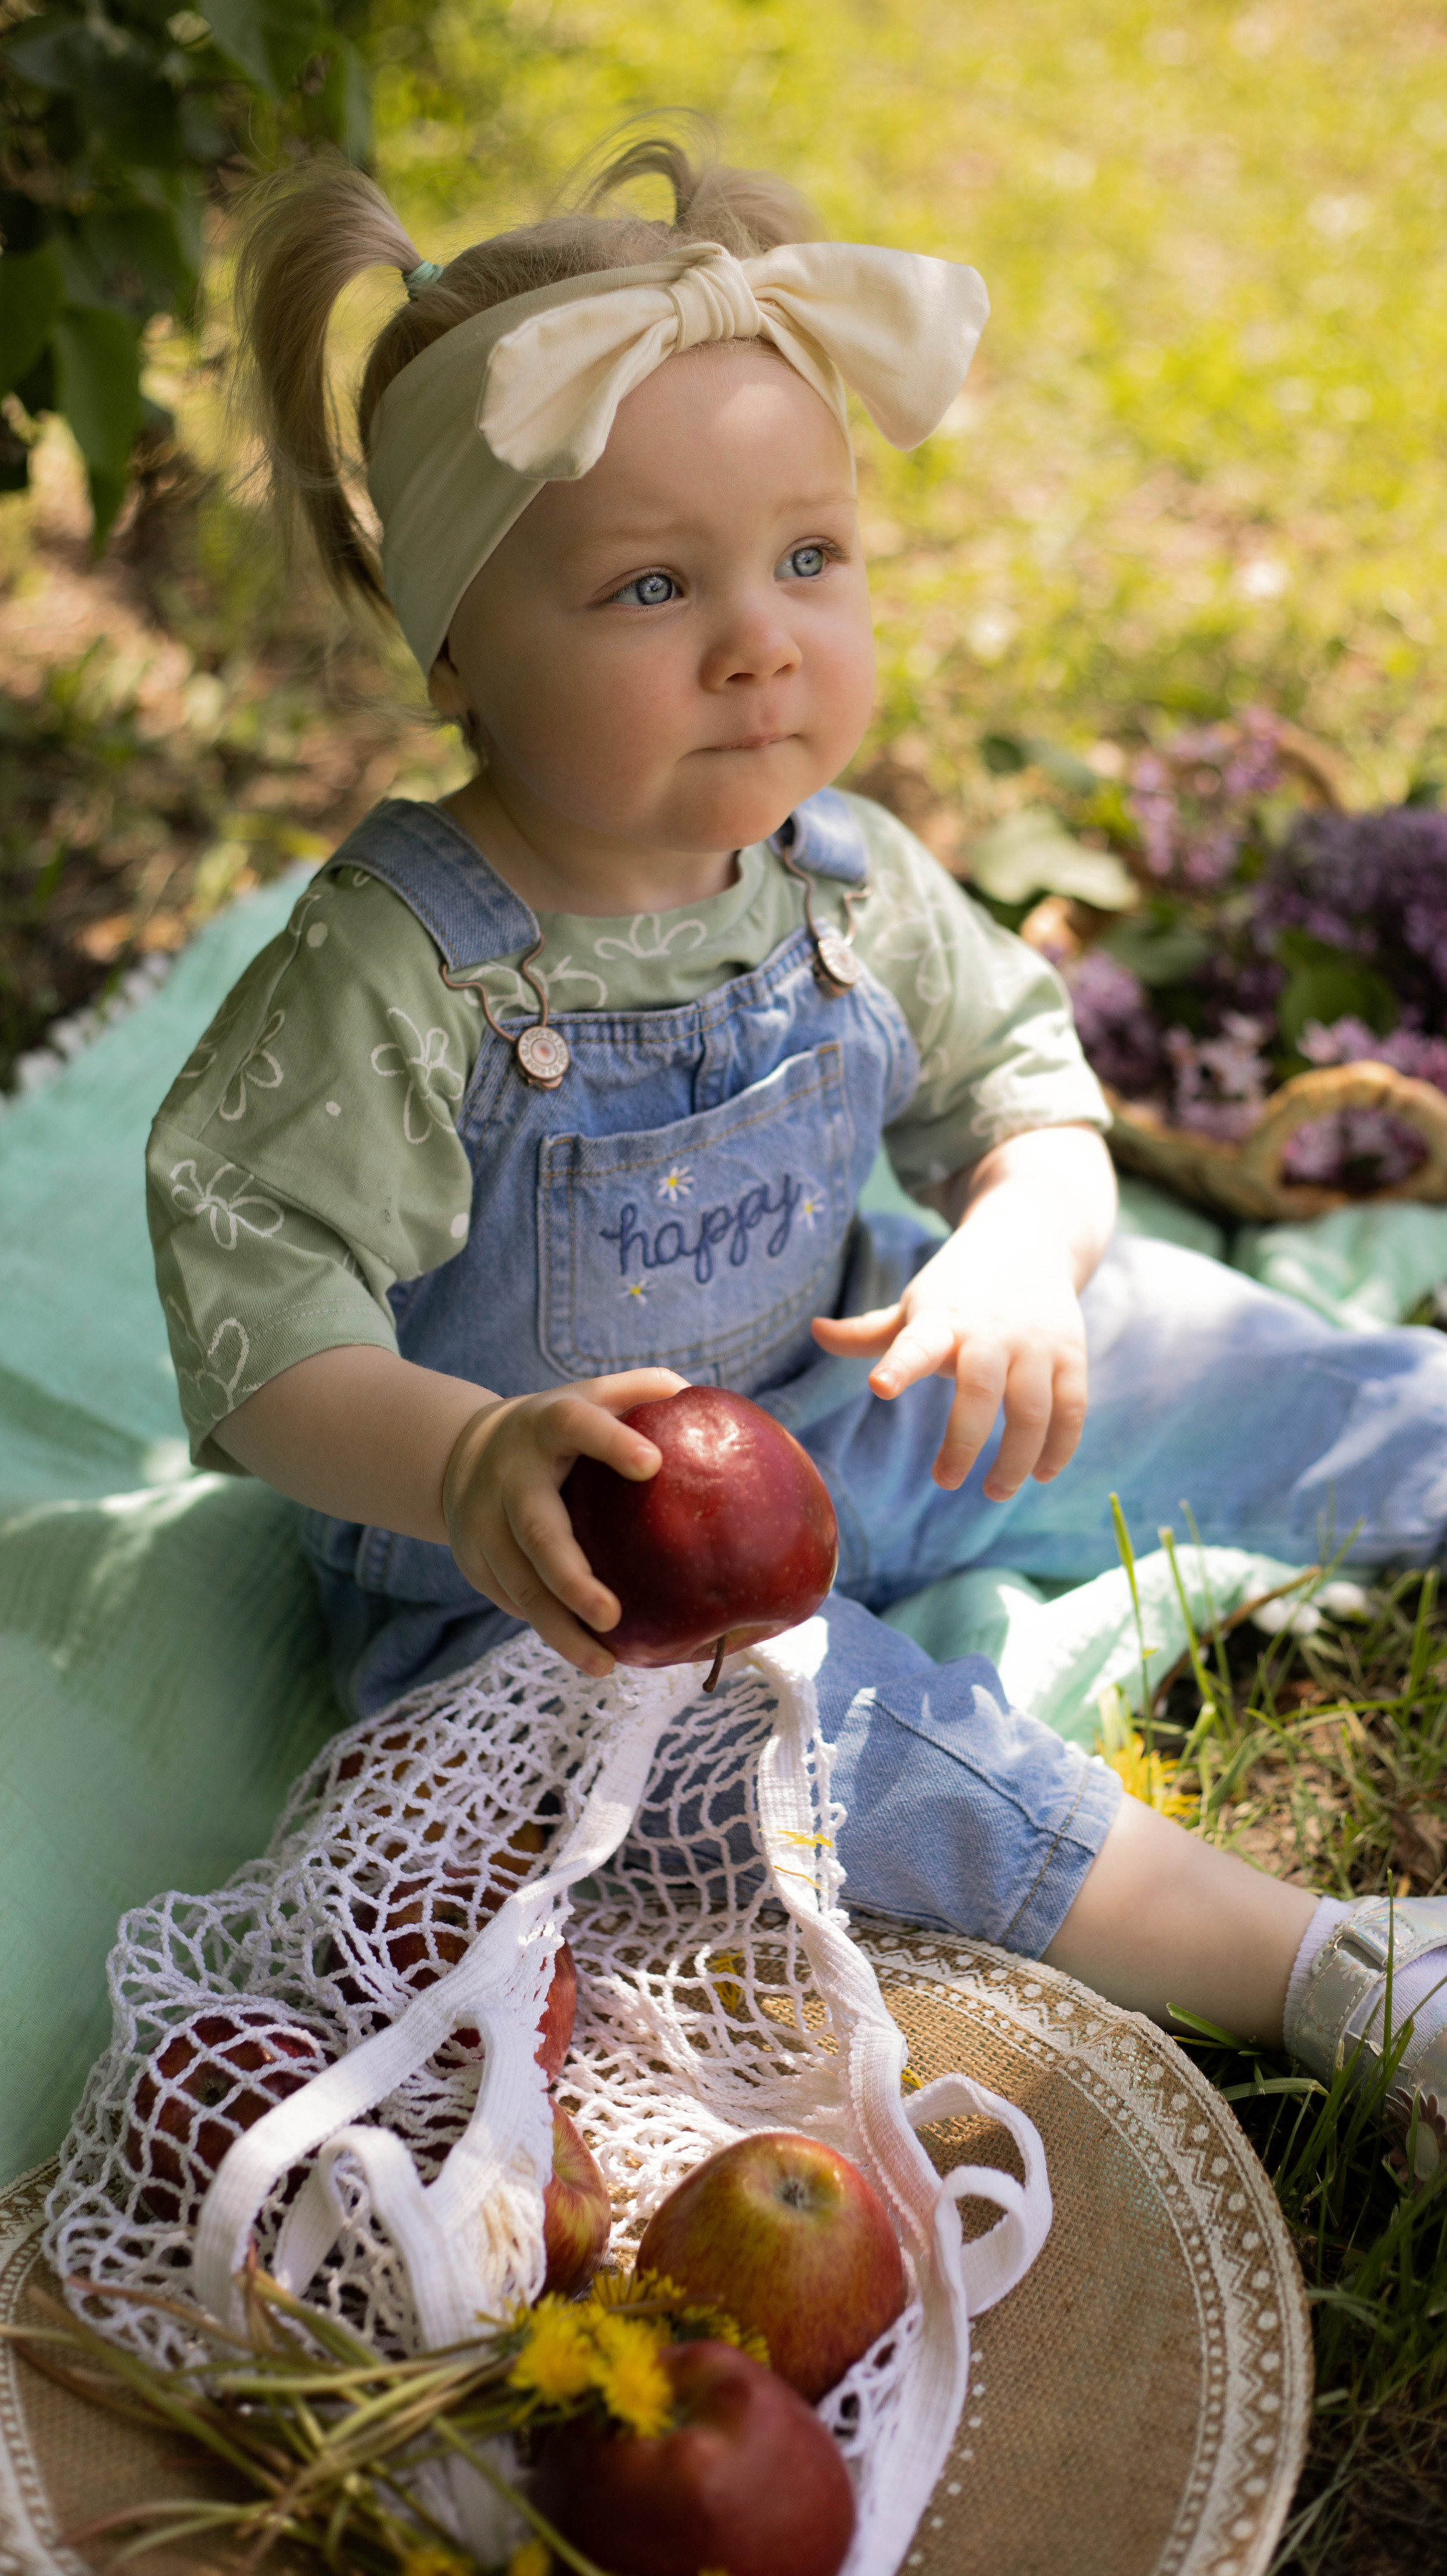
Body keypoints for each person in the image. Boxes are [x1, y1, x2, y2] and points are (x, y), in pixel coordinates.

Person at [147, 135, 1447, 2160]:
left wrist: (1020, 1245)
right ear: (458, 648)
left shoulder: (839, 872)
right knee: (841, 1746)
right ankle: (1333, 1967)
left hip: (860, 1387)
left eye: (810, 560)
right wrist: (467, 1456)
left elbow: (1028, 1086)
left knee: (1185, 1332)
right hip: (544, 1608)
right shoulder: (396, 974)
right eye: (653, 585)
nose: (761, 640)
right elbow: (260, 1330)